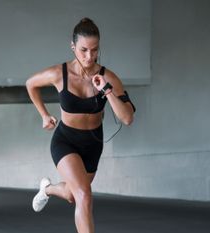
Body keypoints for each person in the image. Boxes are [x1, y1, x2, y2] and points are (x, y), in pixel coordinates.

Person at [25, 17, 136, 233]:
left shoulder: (108, 77)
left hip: (93, 144)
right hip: (66, 141)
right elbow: (31, 84)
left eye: (95, 50)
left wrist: (107, 90)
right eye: (84, 50)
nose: (89, 56)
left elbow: (127, 118)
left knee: (71, 195)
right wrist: (44, 115)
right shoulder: (60, 73)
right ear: (73, 47)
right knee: (84, 195)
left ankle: (47, 189)